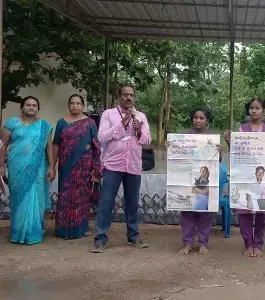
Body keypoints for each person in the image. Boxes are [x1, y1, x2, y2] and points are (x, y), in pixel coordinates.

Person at [90, 84, 151, 253]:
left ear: (135, 97)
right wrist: (121, 124)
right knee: (106, 202)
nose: (128, 98)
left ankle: (133, 237)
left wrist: (139, 132)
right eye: (125, 95)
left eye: (131, 95)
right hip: (112, 165)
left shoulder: (141, 116)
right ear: (119, 97)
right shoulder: (109, 114)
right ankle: (100, 238)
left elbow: (147, 141)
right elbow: (101, 137)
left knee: (132, 203)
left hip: (133, 165)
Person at [223, 97, 265, 258]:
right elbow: (236, 153)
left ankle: (258, 244)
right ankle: (248, 243)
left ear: (263, 111)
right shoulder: (241, 130)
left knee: (261, 214)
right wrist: (229, 141)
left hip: (263, 178)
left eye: (258, 108)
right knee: (244, 212)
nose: (254, 111)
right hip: (246, 177)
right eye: (251, 108)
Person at [0, 96, 55, 245]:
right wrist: (1, 167)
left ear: (37, 108)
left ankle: (34, 232)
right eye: (28, 105)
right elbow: (3, 145)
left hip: (38, 166)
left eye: (34, 105)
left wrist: (51, 166)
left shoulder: (44, 125)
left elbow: (49, 147)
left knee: (36, 196)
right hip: (16, 166)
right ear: (22, 107)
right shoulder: (12, 123)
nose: (31, 107)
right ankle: (18, 232)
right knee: (19, 197)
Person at [171, 108, 222, 255]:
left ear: (207, 120)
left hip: (205, 181)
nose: (198, 120)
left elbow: (217, 162)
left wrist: (219, 153)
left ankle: (202, 243)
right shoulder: (184, 137)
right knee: (187, 214)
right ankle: (187, 243)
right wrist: (170, 148)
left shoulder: (212, 139)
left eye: (202, 118)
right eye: (195, 117)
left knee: (205, 214)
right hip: (188, 179)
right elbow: (175, 157)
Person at [53, 94, 102, 239]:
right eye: (72, 103)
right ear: (68, 105)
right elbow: (56, 144)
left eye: (78, 103)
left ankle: (82, 227)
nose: (75, 106)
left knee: (82, 196)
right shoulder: (61, 123)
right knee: (65, 196)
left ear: (83, 106)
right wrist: (53, 163)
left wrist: (96, 167)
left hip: (84, 165)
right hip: (66, 165)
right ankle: (63, 229)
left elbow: (96, 145)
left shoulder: (90, 123)